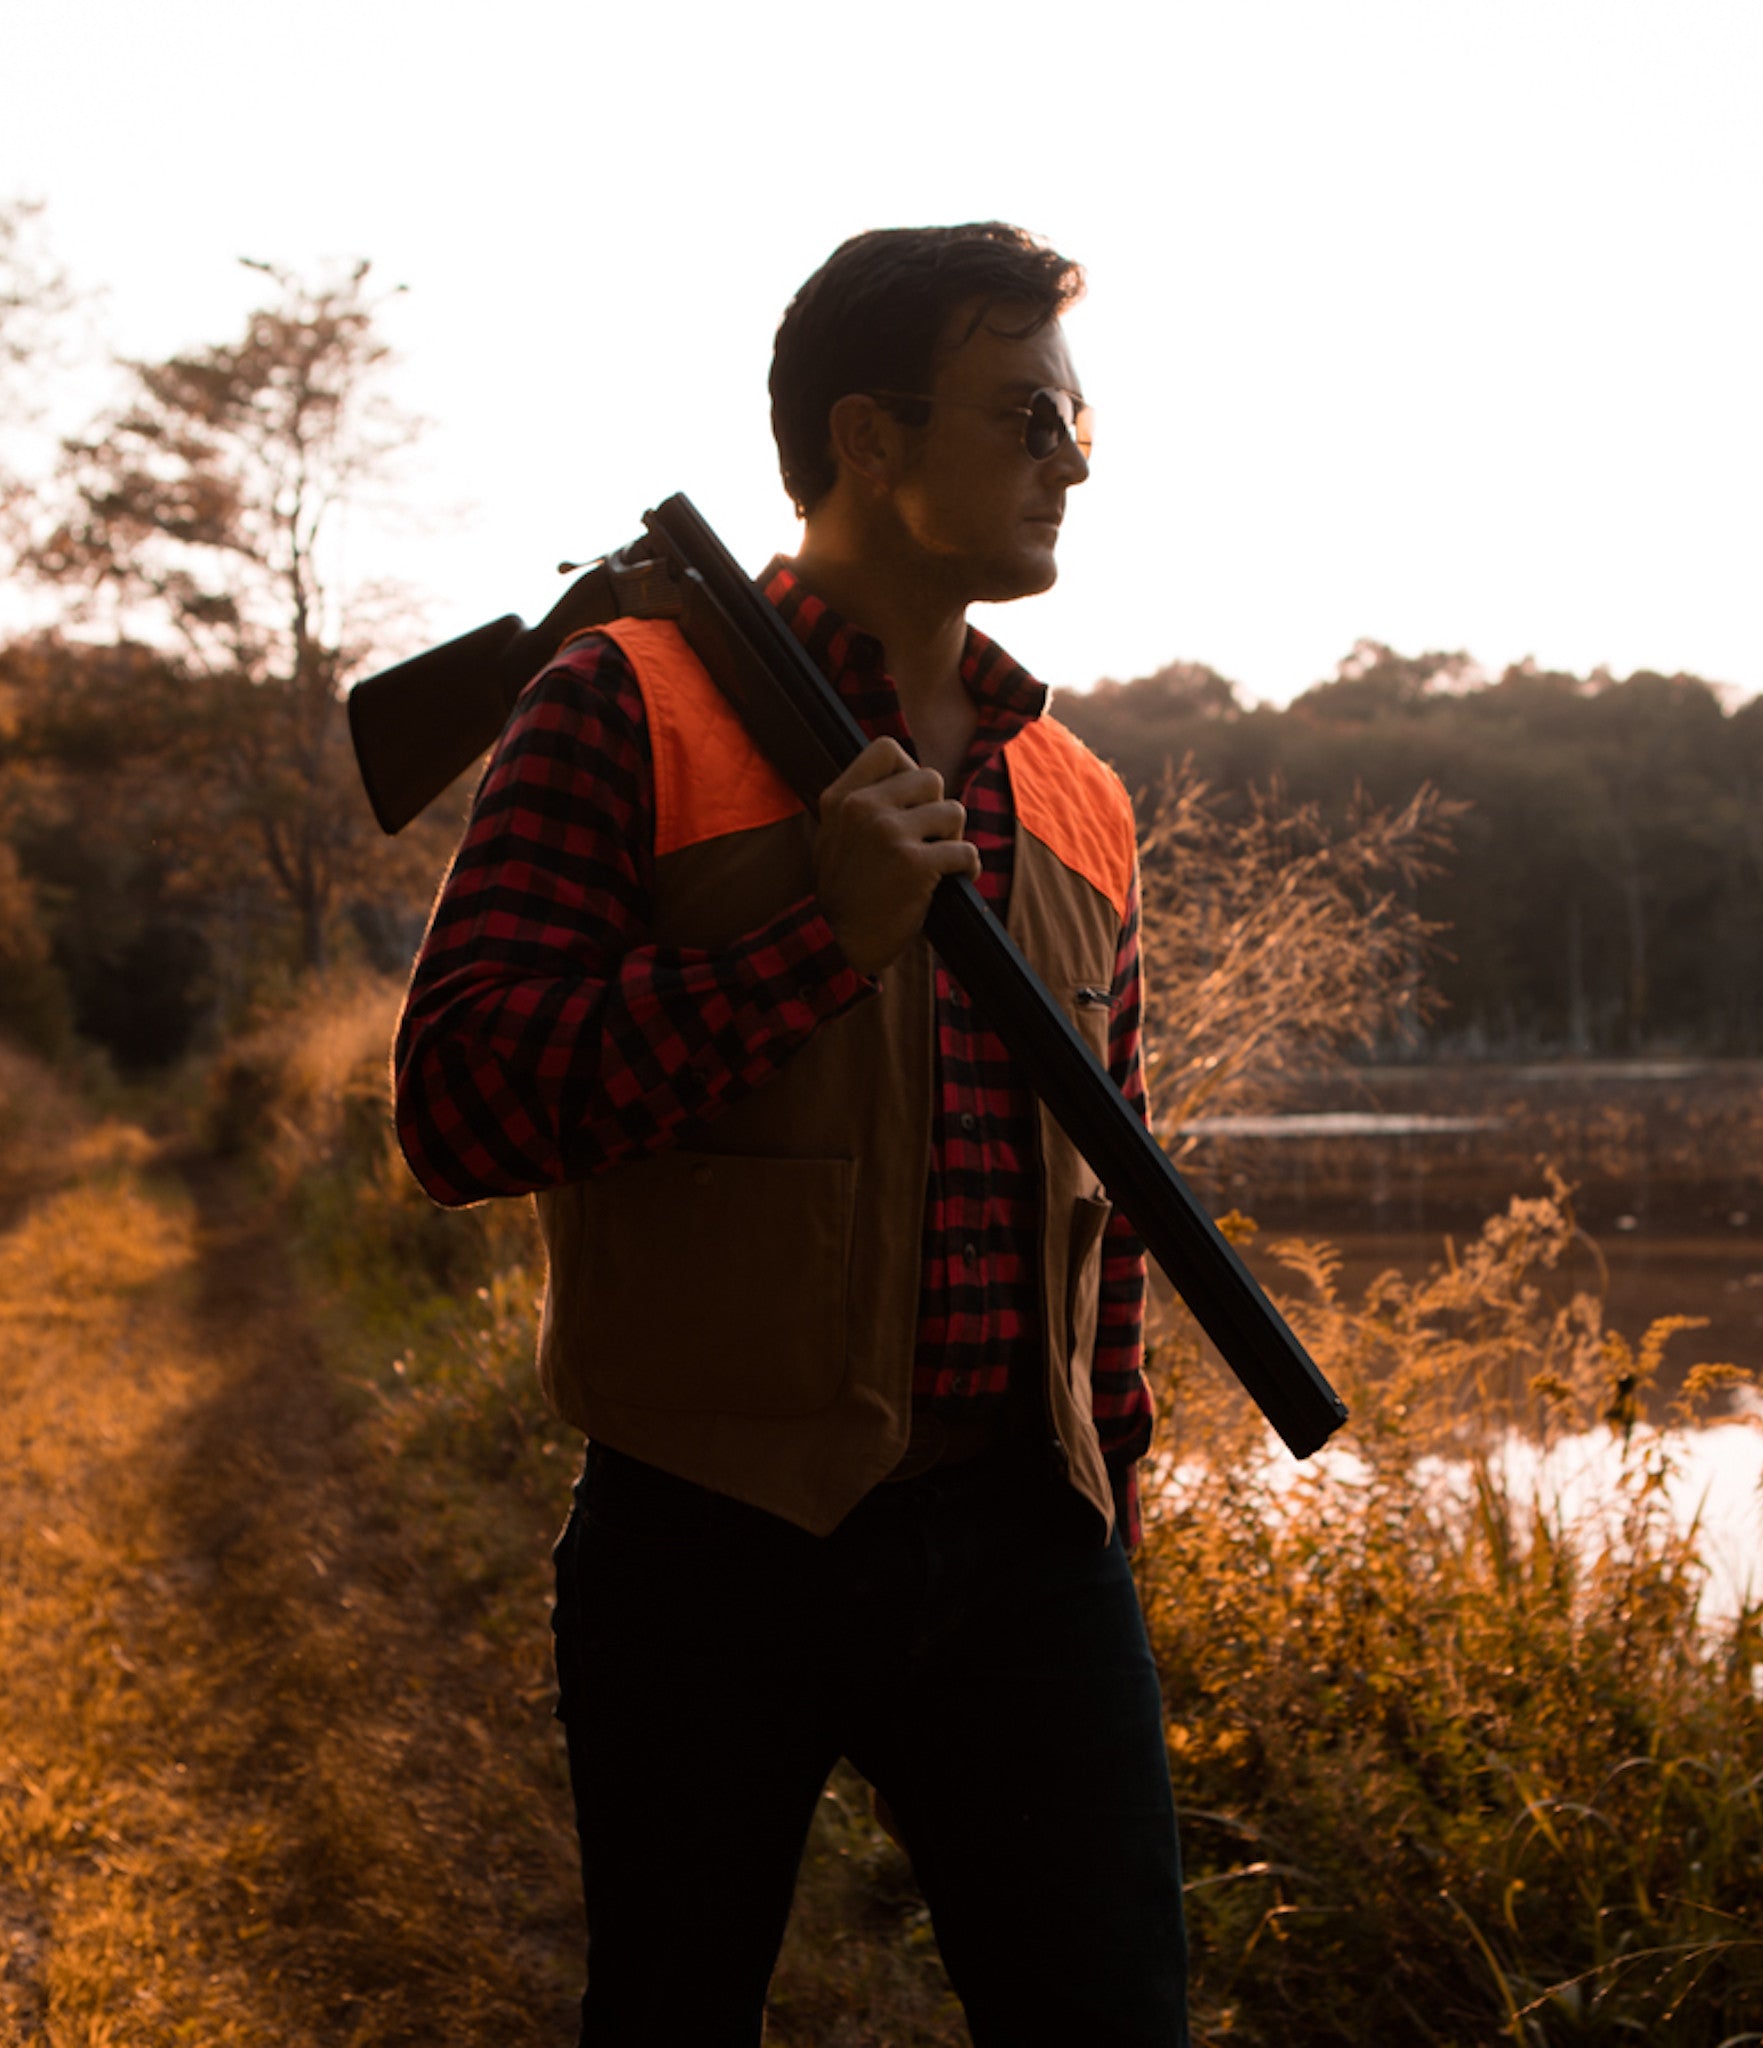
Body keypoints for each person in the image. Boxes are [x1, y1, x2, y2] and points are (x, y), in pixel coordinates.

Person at [392, 223, 1191, 2047]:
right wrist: (815, 944)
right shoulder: (618, 700)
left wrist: (1111, 1483)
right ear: (872, 441)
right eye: (1028, 415)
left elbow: (1108, 1199)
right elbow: (456, 1109)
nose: (1074, 456)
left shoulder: (1076, 795)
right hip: (711, 1536)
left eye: (1079, 419)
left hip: (1030, 1549)